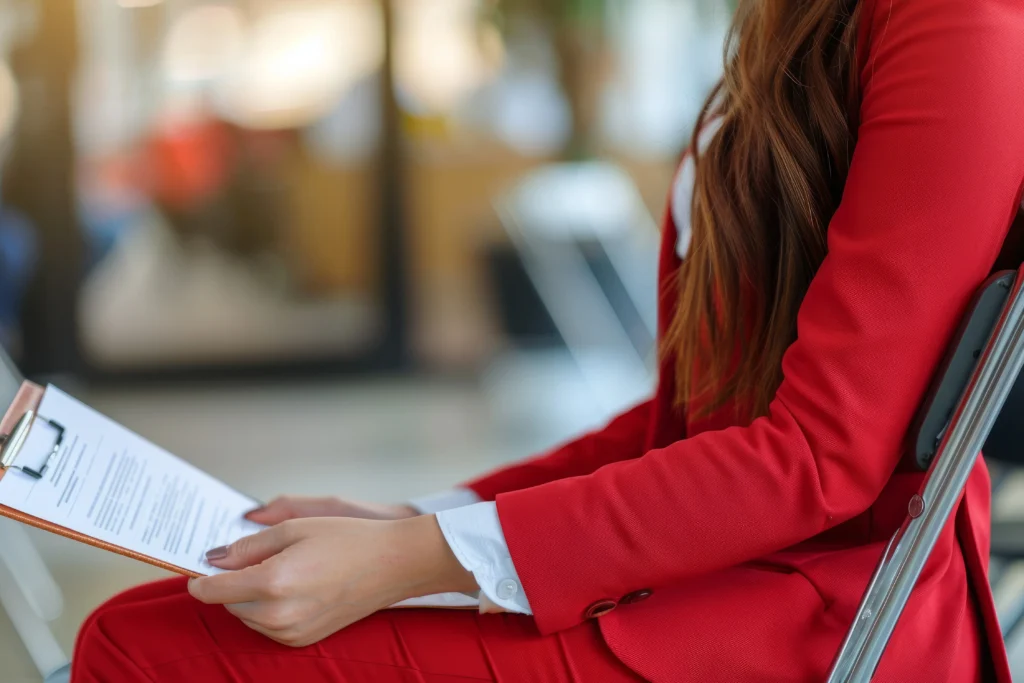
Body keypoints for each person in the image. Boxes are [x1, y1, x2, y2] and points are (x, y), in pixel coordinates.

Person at [72, 0, 1024, 680]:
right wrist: (409, 521)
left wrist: (418, 558)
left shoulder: (958, 22)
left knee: (142, 647)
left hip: (809, 617)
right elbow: (682, 428)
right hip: (709, 576)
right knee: (158, 624)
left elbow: (817, 456)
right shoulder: (787, 24)